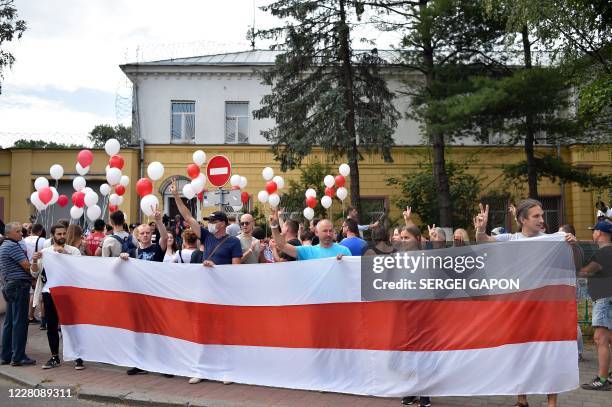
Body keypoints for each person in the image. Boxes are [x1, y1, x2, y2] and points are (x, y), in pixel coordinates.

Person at [474, 199, 577, 407]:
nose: (542, 219)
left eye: (542, 215)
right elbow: (483, 241)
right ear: (522, 219)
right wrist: (481, 229)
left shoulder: (553, 240)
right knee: (519, 352)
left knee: (550, 353)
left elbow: (572, 263)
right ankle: (522, 399)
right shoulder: (511, 238)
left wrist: (572, 245)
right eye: (536, 216)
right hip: (519, 308)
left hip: (547, 308)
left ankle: (551, 402)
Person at [170, 178, 242, 385]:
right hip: (204, 292)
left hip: (223, 294)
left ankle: (226, 371)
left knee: (222, 333)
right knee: (202, 332)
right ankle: (202, 369)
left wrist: (216, 269)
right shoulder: (207, 237)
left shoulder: (233, 242)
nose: (210, 224)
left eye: (213, 221)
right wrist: (176, 196)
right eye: (209, 221)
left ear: (222, 223)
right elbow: (188, 216)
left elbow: (236, 271)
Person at [120, 209, 167, 376]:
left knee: (159, 331)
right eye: (143, 233)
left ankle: (163, 364)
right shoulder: (132, 253)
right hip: (137, 298)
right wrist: (123, 259)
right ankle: (139, 363)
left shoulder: (157, 249)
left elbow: (164, 238)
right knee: (138, 331)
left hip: (155, 297)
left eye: (148, 232)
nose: (146, 235)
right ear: (137, 236)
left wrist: (159, 221)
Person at [30, 223, 84, 370]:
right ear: (53, 235)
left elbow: (80, 269)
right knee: (51, 325)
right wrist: (35, 260)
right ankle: (54, 357)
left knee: (72, 325)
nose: (62, 236)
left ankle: (78, 356)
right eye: (59, 234)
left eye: (64, 234)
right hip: (50, 293)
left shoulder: (73, 251)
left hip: (68, 294)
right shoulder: (45, 251)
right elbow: (34, 273)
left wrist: (64, 255)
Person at [579, 220, 612, 390]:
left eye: (594, 231)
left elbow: (586, 271)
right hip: (608, 298)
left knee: (601, 339)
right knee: (609, 338)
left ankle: (602, 379)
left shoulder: (603, 252)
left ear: (599, 233)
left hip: (604, 300)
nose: (593, 234)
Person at [0, 222, 35, 366]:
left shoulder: (4, 246)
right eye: (18, 231)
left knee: (9, 322)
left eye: (21, 231)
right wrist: (35, 270)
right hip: (19, 285)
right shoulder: (13, 246)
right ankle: (18, 356)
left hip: (10, 285)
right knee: (19, 322)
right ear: (8, 234)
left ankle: (6, 356)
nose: (21, 233)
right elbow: (26, 266)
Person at [270, 209, 350, 261]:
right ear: (316, 233)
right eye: (325, 231)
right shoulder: (308, 251)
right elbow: (282, 245)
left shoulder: (344, 251)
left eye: (331, 231)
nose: (328, 234)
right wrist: (274, 226)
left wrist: (346, 262)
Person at [23, 223, 45, 325]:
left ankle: (28, 315)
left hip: (24, 267)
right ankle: (30, 316)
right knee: (34, 292)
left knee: (28, 293)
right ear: (40, 231)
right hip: (35, 267)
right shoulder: (42, 240)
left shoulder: (24, 240)